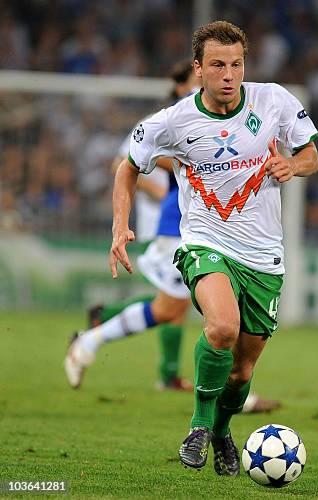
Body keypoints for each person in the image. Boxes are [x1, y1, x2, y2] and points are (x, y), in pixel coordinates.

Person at [109, 21, 318, 476]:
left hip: (264, 257)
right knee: (221, 326)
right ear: (198, 70)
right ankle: (200, 426)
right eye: (218, 65)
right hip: (206, 241)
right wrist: (119, 227)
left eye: (237, 64)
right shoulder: (172, 122)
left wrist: (293, 165)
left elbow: (312, 156)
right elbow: (127, 168)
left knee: (242, 372)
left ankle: (224, 428)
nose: (229, 74)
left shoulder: (274, 101)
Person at [64, 60, 198, 391]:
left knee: (175, 307)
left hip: (199, 224)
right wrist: (161, 183)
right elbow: (126, 162)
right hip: (176, 224)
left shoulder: (221, 111)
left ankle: (96, 336)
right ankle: (232, 393)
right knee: (179, 307)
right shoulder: (173, 117)